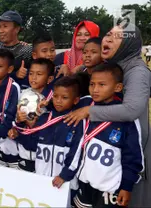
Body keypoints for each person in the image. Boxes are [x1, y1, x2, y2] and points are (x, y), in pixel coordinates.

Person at [64, 24, 151, 207]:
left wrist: (90, 111)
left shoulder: (137, 71)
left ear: (129, 43)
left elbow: (131, 110)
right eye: (109, 34)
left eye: (117, 37)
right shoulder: (116, 65)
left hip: (131, 149)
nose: (108, 39)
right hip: (108, 153)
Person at [73, 63, 144, 207]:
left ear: (117, 87)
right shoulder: (85, 103)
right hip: (84, 181)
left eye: (102, 85)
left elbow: (132, 156)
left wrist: (127, 186)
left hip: (110, 187)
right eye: (92, 84)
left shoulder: (126, 116)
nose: (95, 89)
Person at [10, 77, 83, 198]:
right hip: (42, 178)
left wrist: (65, 175)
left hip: (65, 182)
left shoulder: (76, 121)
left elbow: (77, 152)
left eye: (64, 98)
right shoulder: (44, 118)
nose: (58, 101)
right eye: (55, 96)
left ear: (75, 100)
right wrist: (18, 135)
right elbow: (33, 145)